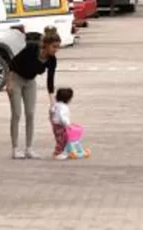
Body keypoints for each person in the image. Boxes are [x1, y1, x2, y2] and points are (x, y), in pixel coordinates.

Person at [6, 25, 61, 159]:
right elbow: (13, 63)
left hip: (30, 82)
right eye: (54, 47)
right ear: (46, 45)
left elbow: (50, 81)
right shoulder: (32, 49)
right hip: (16, 80)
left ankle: (29, 149)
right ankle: (15, 149)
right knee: (17, 113)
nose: (56, 50)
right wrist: (9, 83)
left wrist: (52, 102)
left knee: (30, 114)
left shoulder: (52, 60)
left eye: (58, 47)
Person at [50, 88, 90, 160]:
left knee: (60, 138)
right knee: (62, 139)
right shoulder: (63, 107)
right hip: (61, 125)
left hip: (55, 125)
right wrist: (67, 124)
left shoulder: (56, 105)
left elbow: (52, 110)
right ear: (68, 99)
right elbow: (62, 116)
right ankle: (58, 153)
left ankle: (62, 152)